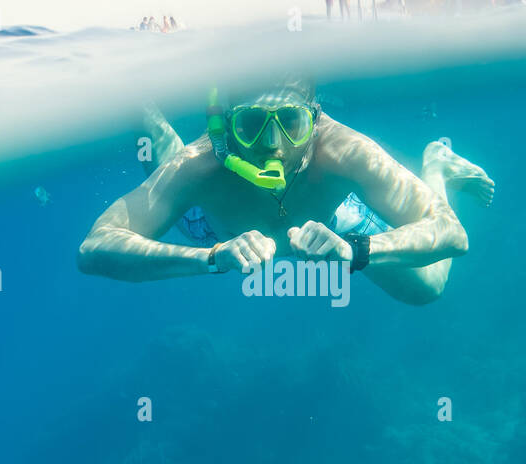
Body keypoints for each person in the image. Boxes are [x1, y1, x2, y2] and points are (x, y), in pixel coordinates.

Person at [79, 80, 495, 306]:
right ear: (226, 128)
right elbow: (95, 246)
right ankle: (136, 98)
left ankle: (436, 166)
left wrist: (355, 249)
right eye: (251, 124)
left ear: (315, 121)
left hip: (335, 228)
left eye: (292, 123)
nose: (273, 144)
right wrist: (210, 257)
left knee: (428, 289)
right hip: (215, 231)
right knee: (178, 175)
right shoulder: (201, 162)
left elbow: (451, 231)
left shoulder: (343, 149)